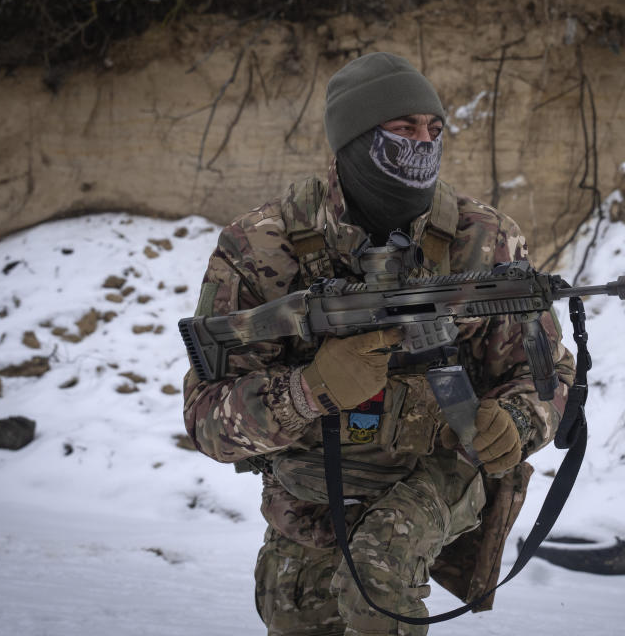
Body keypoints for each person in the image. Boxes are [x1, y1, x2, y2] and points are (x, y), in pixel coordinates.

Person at [183, 51, 576, 636]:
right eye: (404, 129)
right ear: (355, 138)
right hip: (307, 511)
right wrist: (309, 390)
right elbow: (207, 423)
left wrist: (520, 420)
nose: (424, 142)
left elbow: (550, 377)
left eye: (434, 130)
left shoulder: (484, 240)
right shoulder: (261, 247)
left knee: (379, 568)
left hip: (433, 484)